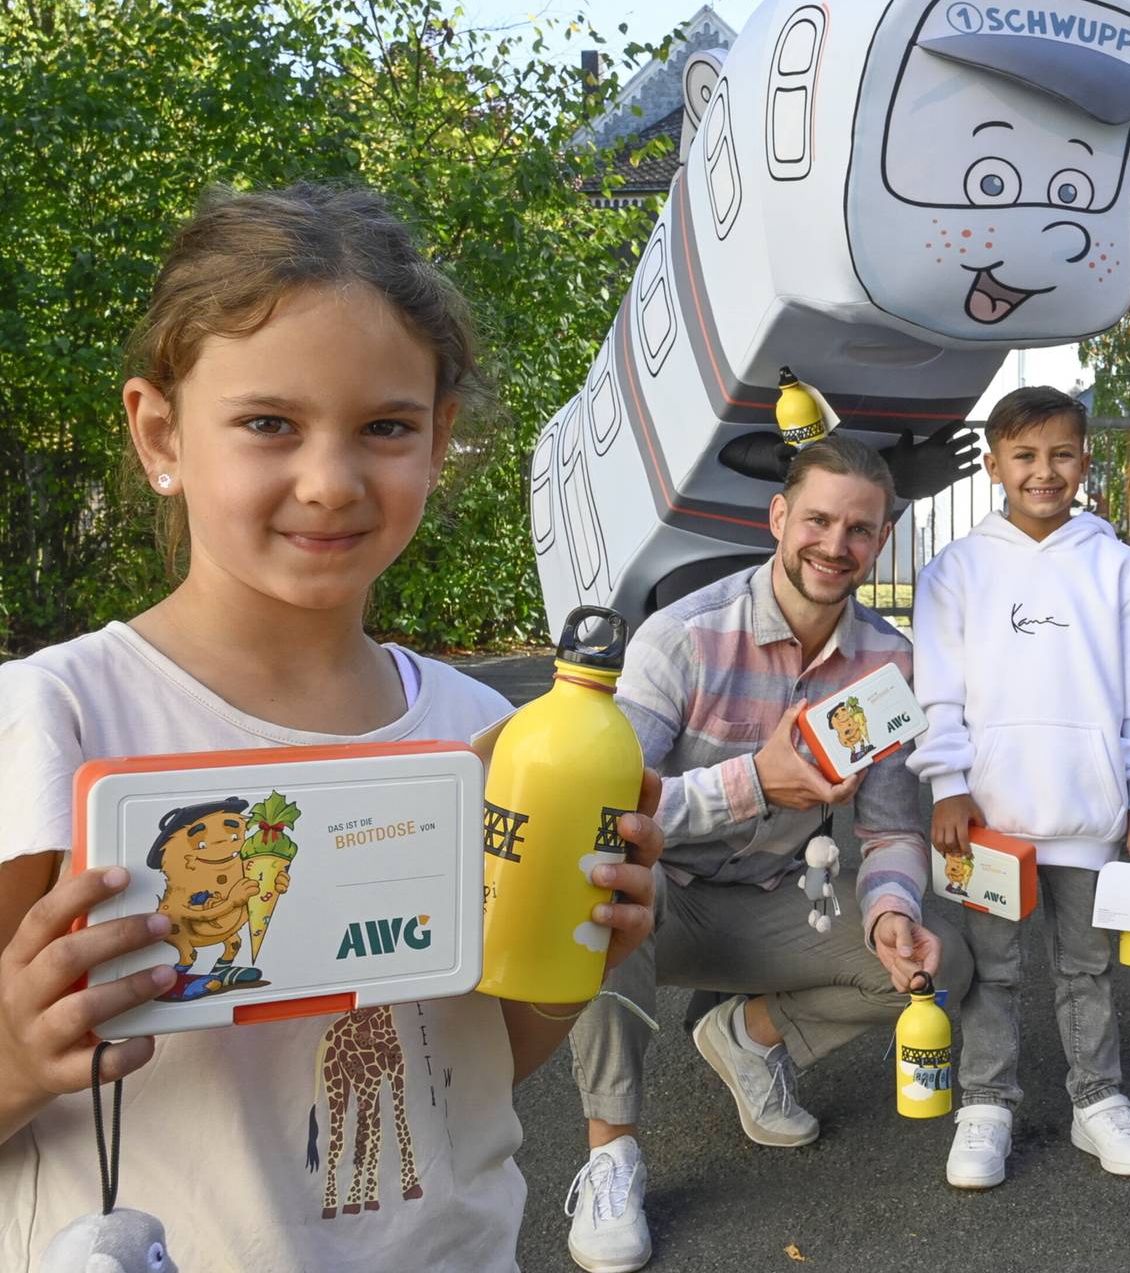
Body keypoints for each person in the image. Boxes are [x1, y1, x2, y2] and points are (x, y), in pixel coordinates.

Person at [0, 184, 663, 1270]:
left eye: (385, 427)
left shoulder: (488, 737)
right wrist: (19, 1056)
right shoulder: (55, 722)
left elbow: (475, 1061)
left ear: (439, 439)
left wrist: (571, 956)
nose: (329, 481)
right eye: (269, 423)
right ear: (162, 433)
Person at [563, 435, 967, 1273]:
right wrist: (754, 783)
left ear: (882, 539)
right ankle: (611, 1156)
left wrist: (890, 910)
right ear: (779, 516)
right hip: (664, 898)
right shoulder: (682, 637)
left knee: (943, 960)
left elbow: (892, 831)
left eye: (859, 529)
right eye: (817, 520)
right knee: (599, 888)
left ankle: (748, 1038)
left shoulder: (889, 663)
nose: (835, 544)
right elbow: (607, 815)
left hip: (776, 900)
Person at [909, 386, 1130, 1191]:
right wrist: (948, 784)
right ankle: (986, 1104)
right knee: (991, 972)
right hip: (988, 821)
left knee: (1087, 968)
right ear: (994, 465)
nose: (1044, 471)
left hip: (1090, 815)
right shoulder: (956, 571)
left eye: (1061, 453)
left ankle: (1097, 1098)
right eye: (1024, 455)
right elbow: (937, 693)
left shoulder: (1120, 569)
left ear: (1085, 460)